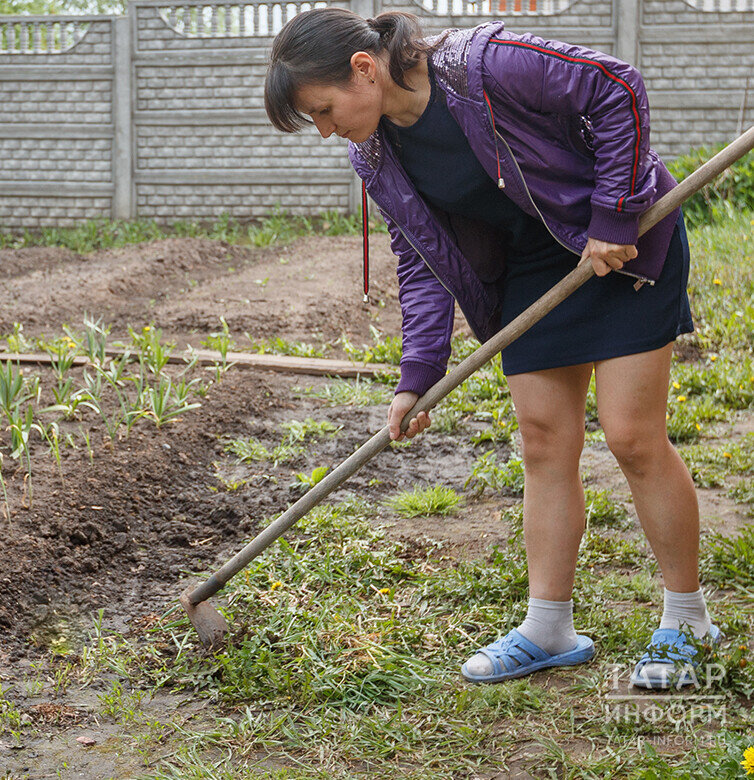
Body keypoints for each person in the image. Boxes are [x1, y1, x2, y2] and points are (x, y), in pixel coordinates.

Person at [264, 8, 719, 687]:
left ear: (363, 69)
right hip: (534, 268)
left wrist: (614, 213)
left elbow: (616, 87)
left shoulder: (483, 64)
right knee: (543, 441)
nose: (327, 130)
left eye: (324, 111)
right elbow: (420, 258)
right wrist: (418, 374)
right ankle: (549, 625)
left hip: (621, 244)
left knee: (631, 435)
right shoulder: (377, 155)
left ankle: (688, 620)